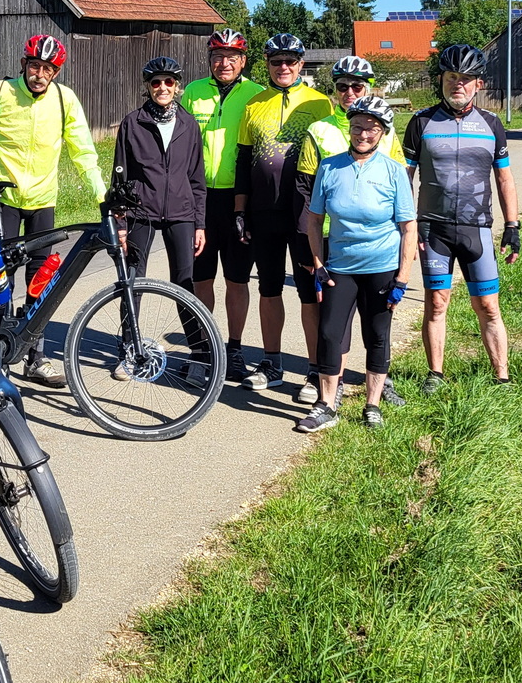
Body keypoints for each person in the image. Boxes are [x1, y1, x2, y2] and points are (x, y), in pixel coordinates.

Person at [0, 33, 106, 386]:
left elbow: (83, 150)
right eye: (35, 66)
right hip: (3, 197)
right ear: (24, 65)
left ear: (56, 73)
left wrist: (102, 194)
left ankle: (35, 356)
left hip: (42, 199)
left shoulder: (64, 99)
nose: (40, 74)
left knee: (41, 278)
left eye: (48, 69)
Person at [401, 43, 521, 393]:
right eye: (452, 77)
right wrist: (404, 226)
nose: (458, 84)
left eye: (466, 78)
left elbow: (504, 177)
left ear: (478, 84)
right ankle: (435, 374)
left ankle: (502, 377)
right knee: (437, 302)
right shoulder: (421, 122)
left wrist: (512, 225)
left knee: (487, 305)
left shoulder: (491, 124)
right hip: (432, 228)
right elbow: (404, 178)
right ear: (441, 79)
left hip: (477, 229)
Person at [297, 96, 418, 433]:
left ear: (382, 133)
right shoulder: (329, 167)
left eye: (371, 128)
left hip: (381, 266)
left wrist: (402, 278)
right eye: (357, 127)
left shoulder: (394, 171)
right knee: (329, 334)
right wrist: (318, 263)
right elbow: (314, 219)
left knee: (376, 335)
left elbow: (409, 228)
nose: (363, 133)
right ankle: (326, 405)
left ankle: (373, 404)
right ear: (348, 128)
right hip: (340, 266)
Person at [232, 33, 333, 392]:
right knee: (269, 288)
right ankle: (272, 363)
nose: (284, 67)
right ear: (268, 65)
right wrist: (240, 211)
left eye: (290, 61)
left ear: (301, 64)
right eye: (277, 62)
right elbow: (243, 160)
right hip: (264, 211)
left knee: (310, 292)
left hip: (305, 212)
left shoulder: (322, 104)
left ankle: (314, 368)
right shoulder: (253, 104)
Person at [179, 29, 265, 382]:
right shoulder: (193, 92)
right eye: (217, 56)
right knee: (201, 279)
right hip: (199, 198)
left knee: (237, 279)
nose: (223, 62)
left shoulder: (257, 94)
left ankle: (233, 348)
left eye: (231, 56)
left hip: (239, 198)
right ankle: (202, 350)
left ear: (243, 61)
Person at [112, 56, 206, 291]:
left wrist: (200, 224)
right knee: (133, 282)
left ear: (176, 86)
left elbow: (196, 178)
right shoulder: (132, 123)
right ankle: (129, 329)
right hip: (141, 212)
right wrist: (120, 222)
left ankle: (193, 331)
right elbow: (119, 176)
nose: (162, 88)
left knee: (185, 284)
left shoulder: (189, 124)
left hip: (181, 213)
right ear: (147, 86)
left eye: (168, 82)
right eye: (156, 83)